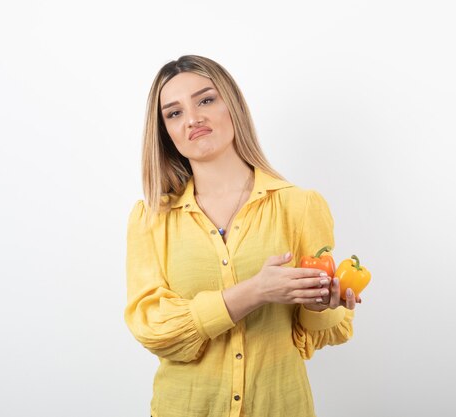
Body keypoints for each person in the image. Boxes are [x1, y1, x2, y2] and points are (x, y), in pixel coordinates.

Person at [124, 55, 360, 417]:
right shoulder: (151, 219)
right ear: (166, 133)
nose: (193, 119)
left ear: (232, 106)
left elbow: (329, 330)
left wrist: (317, 307)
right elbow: (154, 329)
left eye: (205, 100)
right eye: (174, 113)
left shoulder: (299, 205)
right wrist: (256, 291)